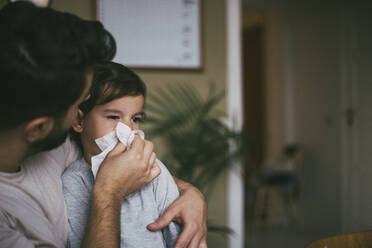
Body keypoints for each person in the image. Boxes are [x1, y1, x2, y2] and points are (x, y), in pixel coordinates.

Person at [0, 2, 207, 248]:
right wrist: (109, 191)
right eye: (79, 103)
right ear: (38, 128)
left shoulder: (56, 148)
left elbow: (135, 170)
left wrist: (191, 193)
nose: (126, 129)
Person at [62, 61, 182, 248]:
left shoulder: (155, 171)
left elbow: (180, 239)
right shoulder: (73, 182)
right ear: (78, 120)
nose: (127, 129)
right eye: (113, 117)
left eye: (135, 119)